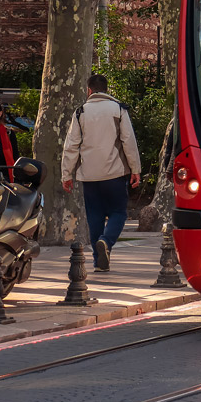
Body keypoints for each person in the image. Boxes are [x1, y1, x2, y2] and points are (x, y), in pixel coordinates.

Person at [61, 74, 142, 272]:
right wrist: (135, 169)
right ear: (106, 89)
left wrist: (66, 174)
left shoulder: (80, 112)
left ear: (89, 90)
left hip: (89, 175)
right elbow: (129, 142)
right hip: (114, 173)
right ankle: (106, 241)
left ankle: (98, 262)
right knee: (118, 212)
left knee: (94, 215)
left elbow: (71, 146)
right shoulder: (119, 109)